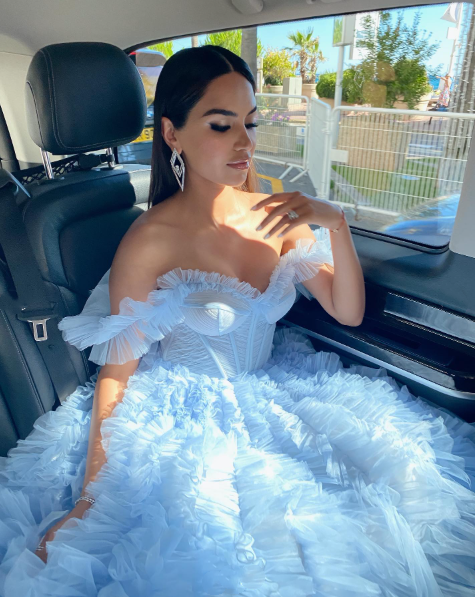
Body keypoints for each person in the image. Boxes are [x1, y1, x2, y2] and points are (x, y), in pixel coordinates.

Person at [0, 46, 474, 596]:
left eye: (250, 123)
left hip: (279, 388)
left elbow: (347, 312)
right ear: (172, 134)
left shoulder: (278, 216)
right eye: (222, 125)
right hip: (182, 414)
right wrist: (91, 496)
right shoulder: (150, 240)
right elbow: (117, 373)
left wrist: (337, 223)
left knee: (393, 499)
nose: (245, 143)